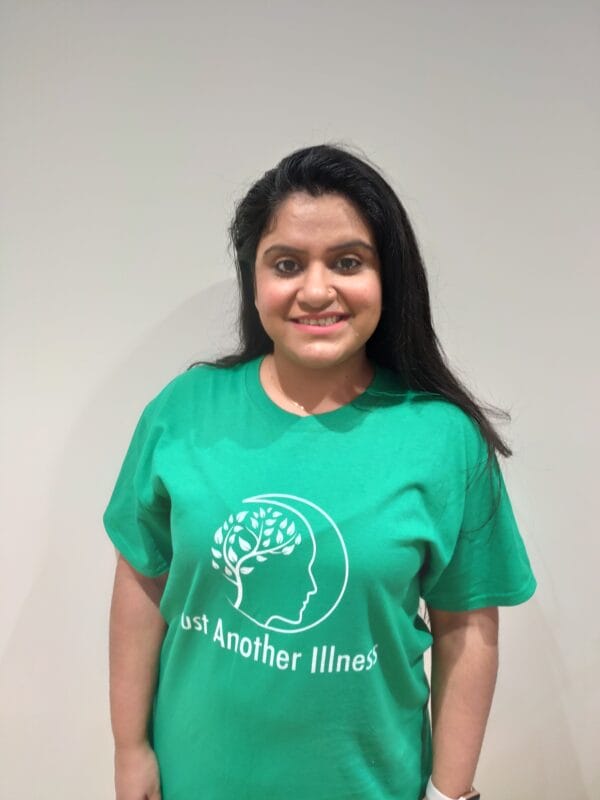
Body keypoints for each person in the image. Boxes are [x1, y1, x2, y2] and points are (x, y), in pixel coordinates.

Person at [103, 142, 537, 800]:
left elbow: (466, 628)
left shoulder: (442, 441)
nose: (315, 289)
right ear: (255, 280)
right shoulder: (183, 412)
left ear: (386, 276)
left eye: (347, 261)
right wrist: (130, 748)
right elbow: (141, 583)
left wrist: (452, 794)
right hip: (195, 780)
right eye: (286, 263)